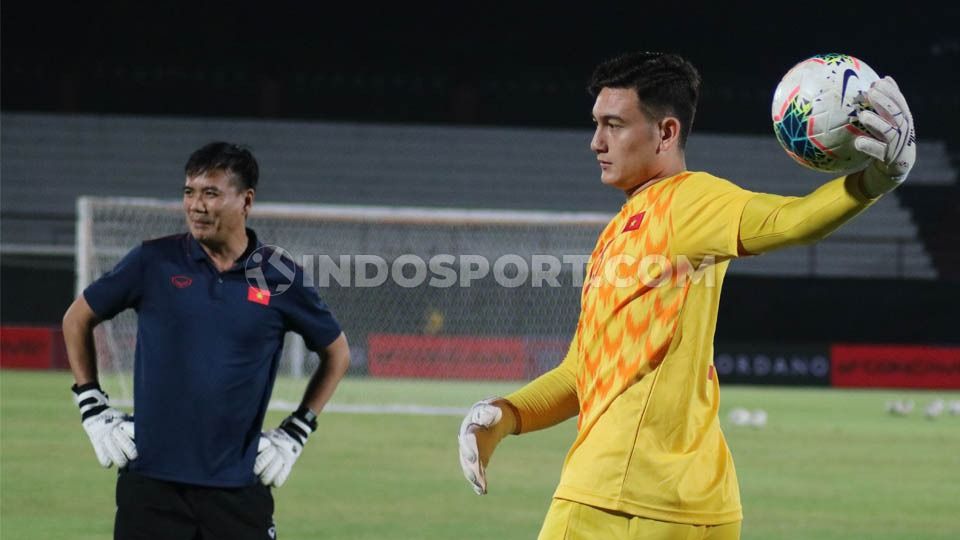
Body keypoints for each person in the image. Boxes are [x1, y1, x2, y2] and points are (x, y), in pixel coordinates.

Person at [458, 52, 915, 539]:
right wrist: (505, 416)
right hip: (703, 507)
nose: (596, 142)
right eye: (596, 124)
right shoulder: (621, 231)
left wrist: (873, 182)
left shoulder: (685, 201)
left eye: (614, 125)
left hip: (615, 501)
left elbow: (790, 221)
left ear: (666, 133)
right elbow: (584, 371)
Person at [63, 142, 351, 539]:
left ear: (245, 200)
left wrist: (297, 430)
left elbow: (336, 353)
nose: (196, 205)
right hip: (151, 489)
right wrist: (91, 404)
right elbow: (77, 318)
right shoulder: (152, 261)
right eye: (189, 192)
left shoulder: (278, 275)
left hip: (238, 492)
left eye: (211, 193)